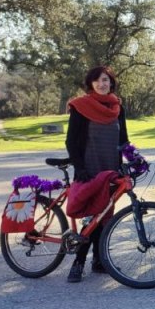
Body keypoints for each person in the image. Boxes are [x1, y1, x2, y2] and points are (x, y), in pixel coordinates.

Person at [64, 65, 129, 282]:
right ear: (91, 83)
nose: (102, 84)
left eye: (106, 80)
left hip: (110, 170)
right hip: (89, 170)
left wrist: (133, 161)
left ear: (111, 82)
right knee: (92, 217)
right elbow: (71, 142)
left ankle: (99, 261)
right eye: (97, 81)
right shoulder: (81, 106)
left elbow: (123, 142)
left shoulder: (117, 108)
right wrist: (80, 168)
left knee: (105, 217)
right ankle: (78, 262)